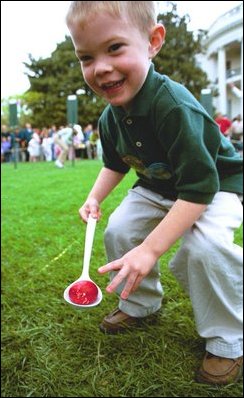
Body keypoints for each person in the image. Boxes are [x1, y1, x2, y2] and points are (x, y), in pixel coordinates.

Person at [66, 1, 243, 385]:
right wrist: (95, 197)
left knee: (205, 248)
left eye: (114, 48)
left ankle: (228, 339)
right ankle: (141, 303)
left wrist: (151, 249)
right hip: (158, 185)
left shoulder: (173, 106)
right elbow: (115, 163)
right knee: (119, 229)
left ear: (153, 41)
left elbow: (199, 189)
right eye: (86, 56)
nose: (101, 67)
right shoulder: (109, 116)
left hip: (214, 187)